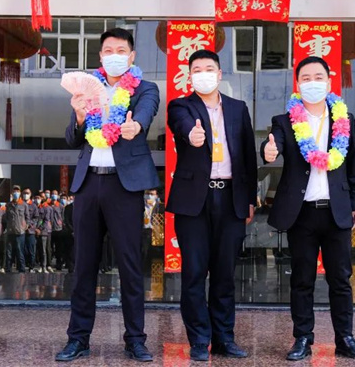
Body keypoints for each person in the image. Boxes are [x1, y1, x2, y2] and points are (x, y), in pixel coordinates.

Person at [55, 27, 160, 363]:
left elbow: (146, 111)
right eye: (109, 51)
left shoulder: (144, 88)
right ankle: (78, 339)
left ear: (132, 56)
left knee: (130, 266)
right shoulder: (87, 89)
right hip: (88, 184)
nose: (115, 56)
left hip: (123, 186)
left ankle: (136, 340)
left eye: (121, 50)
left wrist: (135, 125)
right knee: (84, 265)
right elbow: (72, 139)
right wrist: (80, 115)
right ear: (100, 56)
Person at [261, 56, 355, 361]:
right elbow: (272, 146)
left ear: (329, 81)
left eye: (318, 77)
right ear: (298, 84)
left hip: (337, 211)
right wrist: (268, 150)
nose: (312, 82)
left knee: (341, 279)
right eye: (305, 78)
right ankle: (302, 339)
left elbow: (353, 167)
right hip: (302, 213)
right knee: (302, 279)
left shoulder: (344, 119)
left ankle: (345, 338)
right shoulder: (284, 121)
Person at [167, 49, 257, 361]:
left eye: (209, 69)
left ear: (219, 74)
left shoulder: (237, 108)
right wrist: (192, 134)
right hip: (194, 200)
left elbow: (248, 156)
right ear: (190, 76)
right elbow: (181, 127)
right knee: (194, 272)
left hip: (231, 197)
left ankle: (224, 339)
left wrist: (249, 199)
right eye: (197, 70)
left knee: (224, 274)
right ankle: (198, 339)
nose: (203, 74)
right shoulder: (181, 106)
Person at [3, 185, 27, 273]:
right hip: (10, 232)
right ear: (12, 193)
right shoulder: (9, 205)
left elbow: (27, 217)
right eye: (14, 191)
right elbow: (6, 217)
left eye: (17, 191)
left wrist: (25, 226)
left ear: (20, 193)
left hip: (20, 232)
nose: (16, 193)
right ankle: (8, 269)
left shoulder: (24, 205)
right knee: (9, 252)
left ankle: (22, 269)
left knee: (20, 252)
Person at [23, 188, 38, 272]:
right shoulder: (20, 204)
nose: (26, 194)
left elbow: (36, 218)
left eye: (27, 193)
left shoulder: (33, 205)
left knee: (31, 250)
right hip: (21, 230)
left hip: (30, 231)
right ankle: (23, 266)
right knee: (22, 250)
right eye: (24, 193)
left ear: (30, 194)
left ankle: (31, 266)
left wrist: (29, 224)